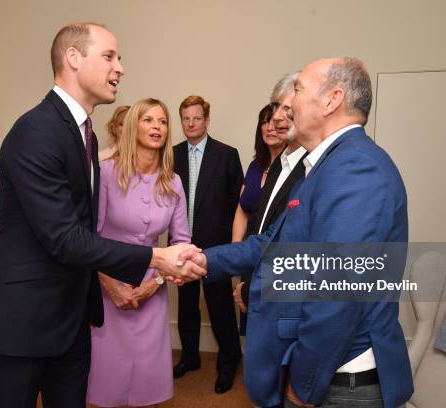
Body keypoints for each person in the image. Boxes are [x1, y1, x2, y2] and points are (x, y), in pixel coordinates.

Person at [0, 23, 204, 408]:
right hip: (24, 321)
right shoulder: (36, 131)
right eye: (110, 56)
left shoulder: (86, 134)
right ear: (74, 59)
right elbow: (65, 238)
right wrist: (155, 257)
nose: (120, 68)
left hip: (72, 319)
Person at [180, 57, 413, 408]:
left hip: (340, 383)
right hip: (326, 374)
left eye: (299, 91)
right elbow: (268, 242)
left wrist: (303, 385)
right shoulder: (323, 166)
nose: (284, 111)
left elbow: (339, 295)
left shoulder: (356, 168)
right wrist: (200, 259)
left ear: (332, 100)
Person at [87, 98, 189, 407]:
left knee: (147, 387)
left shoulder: (173, 182)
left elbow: (180, 242)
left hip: (152, 290)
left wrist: (153, 285)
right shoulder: (106, 173)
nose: (157, 126)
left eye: (162, 121)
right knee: (105, 383)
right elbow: (88, 239)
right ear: (133, 126)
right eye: (148, 120)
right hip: (107, 289)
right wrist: (112, 286)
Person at [172, 95, 243, 393]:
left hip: (216, 248)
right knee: (186, 307)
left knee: (220, 307)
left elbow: (237, 205)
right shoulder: (171, 154)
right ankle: (190, 357)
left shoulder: (227, 154)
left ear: (206, 120)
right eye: (185, 118)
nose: (190, 123)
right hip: (180, 244)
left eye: (196, 118)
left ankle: (228, 362)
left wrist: (231, 246)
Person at [233, 74, 308, 336]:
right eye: (274, 110)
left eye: (285, 110)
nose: (275, 120)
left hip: (282, 280)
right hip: (255, 260)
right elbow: (248, 215)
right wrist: (236, 254)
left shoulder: (309, 167)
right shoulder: (264, 167)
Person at [231, 103, 283, 243]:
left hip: (275, 252)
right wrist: (236, 247)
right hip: (248, 250)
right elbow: (242, 211)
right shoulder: (255, 166)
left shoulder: (292, 167)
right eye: (265, 122)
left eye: (275, 123)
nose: (270, 128)